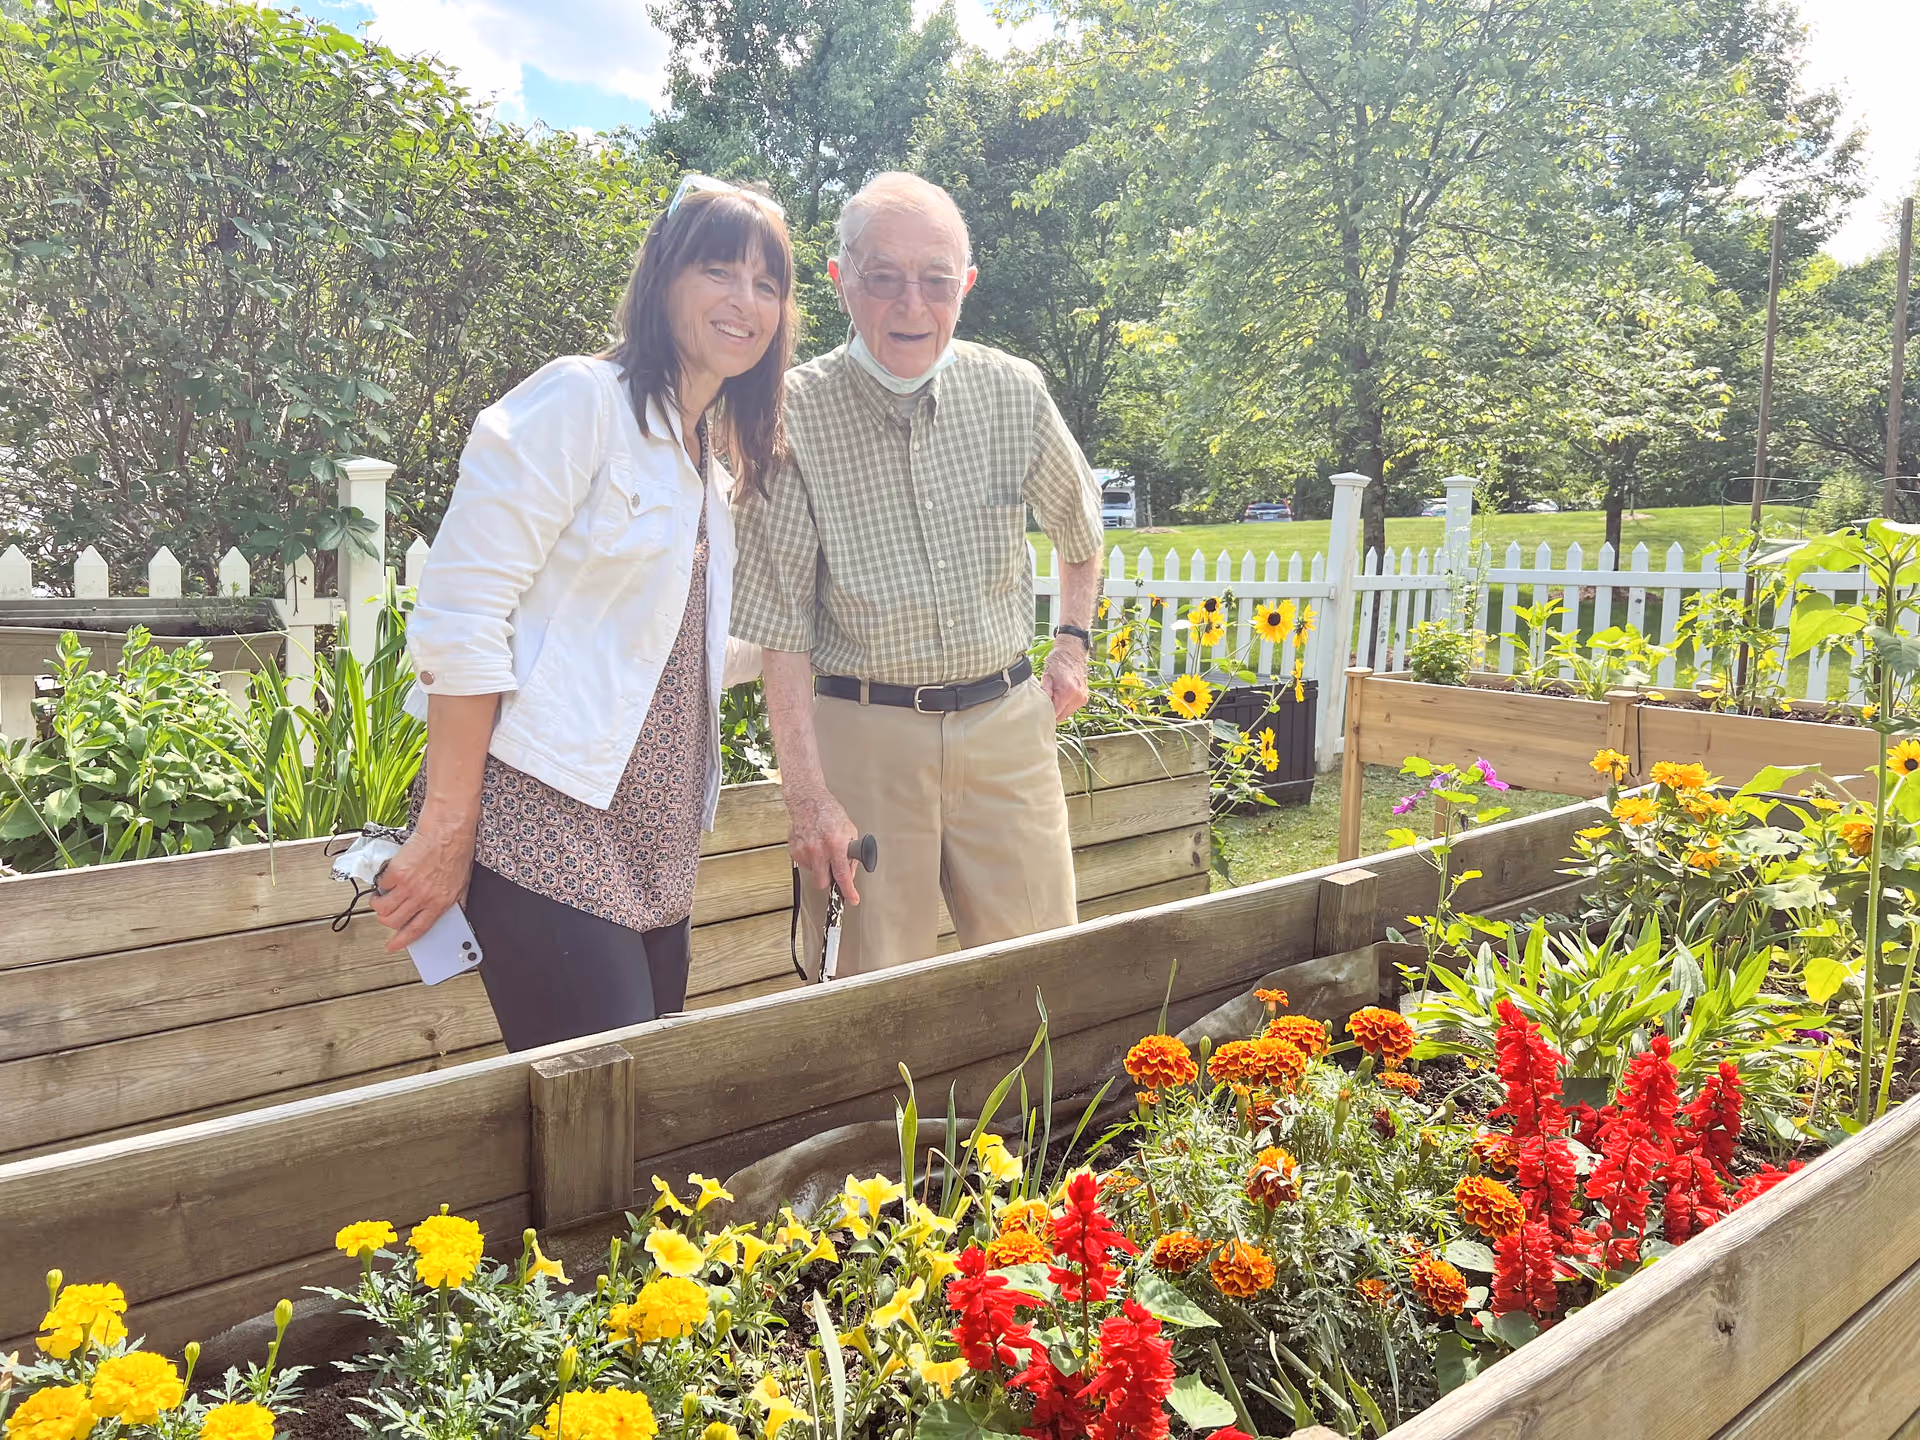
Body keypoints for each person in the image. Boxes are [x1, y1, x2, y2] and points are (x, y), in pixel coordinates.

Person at [370, 176, 795, 1052]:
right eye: (719, 270)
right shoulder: (578, 402)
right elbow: (461, 613)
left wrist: (822, 642)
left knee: (633, 1120)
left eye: (767, 283)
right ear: (664, 278)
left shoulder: (706, 469)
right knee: (610, 1113)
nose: (744, 302)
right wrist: (450, 824)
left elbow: (662, 653)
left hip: (655, 843)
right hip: (543, 822)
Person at [732, 170, 1105, 979]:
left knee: (1043, 971)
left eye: (936, 281)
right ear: (840, 282)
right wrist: (807, 794)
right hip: (862, 737)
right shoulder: (787, 416)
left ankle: (1033, 1116)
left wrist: (1071, 643)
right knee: (868, 992)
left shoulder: (1014, 392)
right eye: (883, 277)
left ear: (965, 287)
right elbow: (781, 632)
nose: (911, 305)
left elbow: (1081, 530)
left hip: (1006, 723)